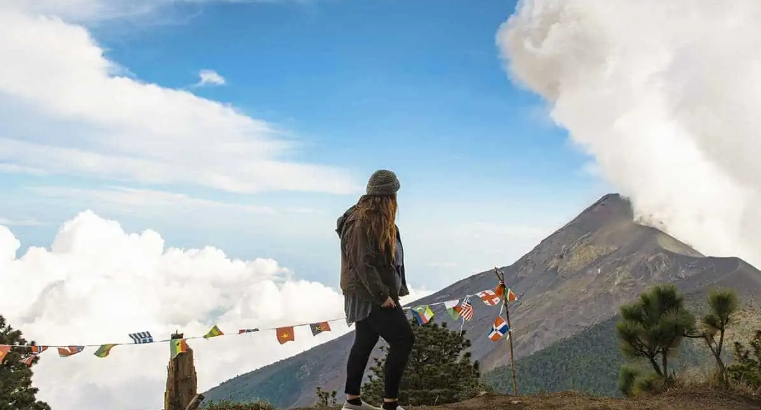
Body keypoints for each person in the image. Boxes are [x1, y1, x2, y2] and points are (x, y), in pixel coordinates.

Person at [335, 169, 415, 410]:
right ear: (387, 196)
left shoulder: (375, 218)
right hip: (370, 295)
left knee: (364, 341)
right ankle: (390, 404)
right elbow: (363, 263)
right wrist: (383, 297)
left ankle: (352, 402)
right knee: (404, 340)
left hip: (370, 293)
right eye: (394, 195)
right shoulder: (363, 221)